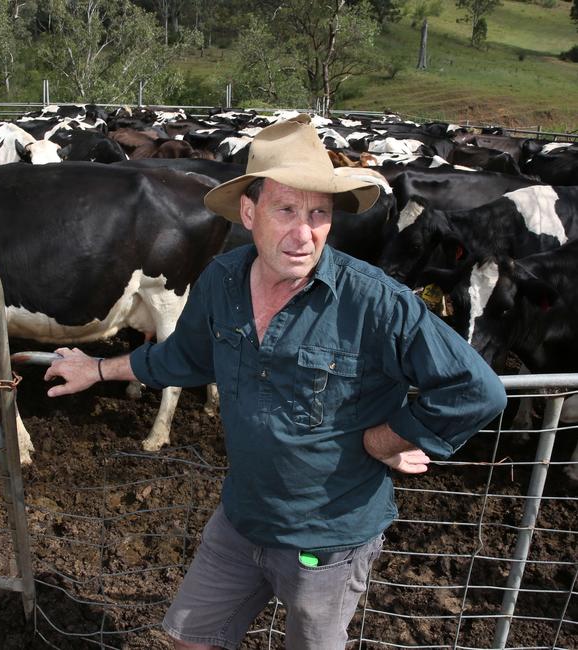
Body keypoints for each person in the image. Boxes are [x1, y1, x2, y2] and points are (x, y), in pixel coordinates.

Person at [44, 114, 507, 650]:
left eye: (318, 213)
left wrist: (386, 438)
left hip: (328, 542)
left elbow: (476, 391)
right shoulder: (222, 280)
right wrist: (98, 369)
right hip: (241, 520)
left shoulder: (375, 301)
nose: (304, 232)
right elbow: (184, 358)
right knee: (191, 640)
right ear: (249, 210)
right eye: (286, 209)